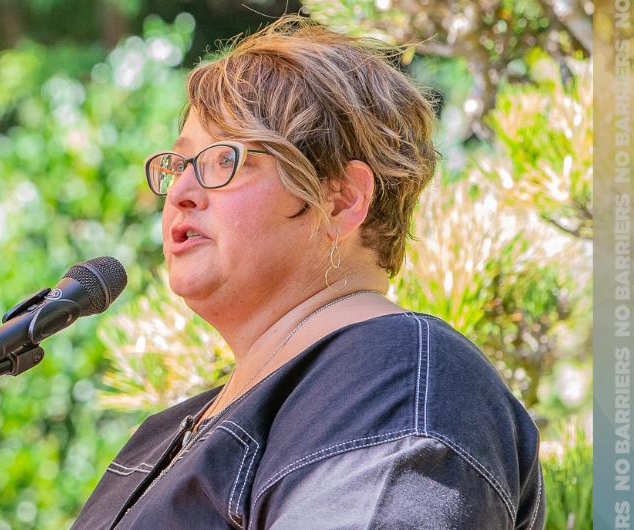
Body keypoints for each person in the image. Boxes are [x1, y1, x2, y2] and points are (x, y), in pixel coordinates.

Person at [69, 16, 544, 530]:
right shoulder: (165, 432)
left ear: (340, 200)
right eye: (179, 165)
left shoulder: (396, 380)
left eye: (223, 159)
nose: (182, 191)